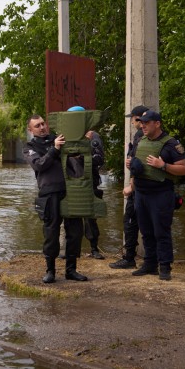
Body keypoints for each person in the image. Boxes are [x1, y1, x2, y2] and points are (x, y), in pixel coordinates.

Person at [125, 110, 185, 281]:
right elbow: (136, 166)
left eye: (147, 122)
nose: (143, 126)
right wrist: (131, 165)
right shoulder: (140, 141)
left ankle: (165, 266)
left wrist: (163, 165)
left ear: (157, 124)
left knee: (161, 231)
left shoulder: (171, 144)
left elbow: (184, 169)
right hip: (141, 193)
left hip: (161, 194)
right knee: (146, 231)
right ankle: (150, 264)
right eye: (141, 122)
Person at [25, 114, 89, 284]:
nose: (42, 127)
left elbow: (77, 155)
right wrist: (54, 149)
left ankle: (71, 270)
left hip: (70, 190)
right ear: (30, 130)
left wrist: (82, 144)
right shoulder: (30, 147)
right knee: (51, 232)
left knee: (75, 231)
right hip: (49, 193)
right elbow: (39, 164)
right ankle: (50, 271)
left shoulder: (59, 138)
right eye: (37, 126)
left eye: (43, 124)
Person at [110, 105, 148, 270]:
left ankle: (130, 258)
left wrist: (131, 187)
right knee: (143, 223)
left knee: (131, 222)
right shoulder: (145, 135)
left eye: (133, 119)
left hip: (139, 188)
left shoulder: (141, 136)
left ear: (138, 118)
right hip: (145, 188)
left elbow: (138, 166)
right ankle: (150, 260)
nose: (132, 122)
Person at [67, 106, 106, 259]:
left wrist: (82, 156)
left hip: (89, 182)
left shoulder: (93, 136)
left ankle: (94, 249)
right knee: (70, 218)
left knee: (90, 217)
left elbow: (99, 159)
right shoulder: (66, 137)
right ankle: (71, 250)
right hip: (71, 182)